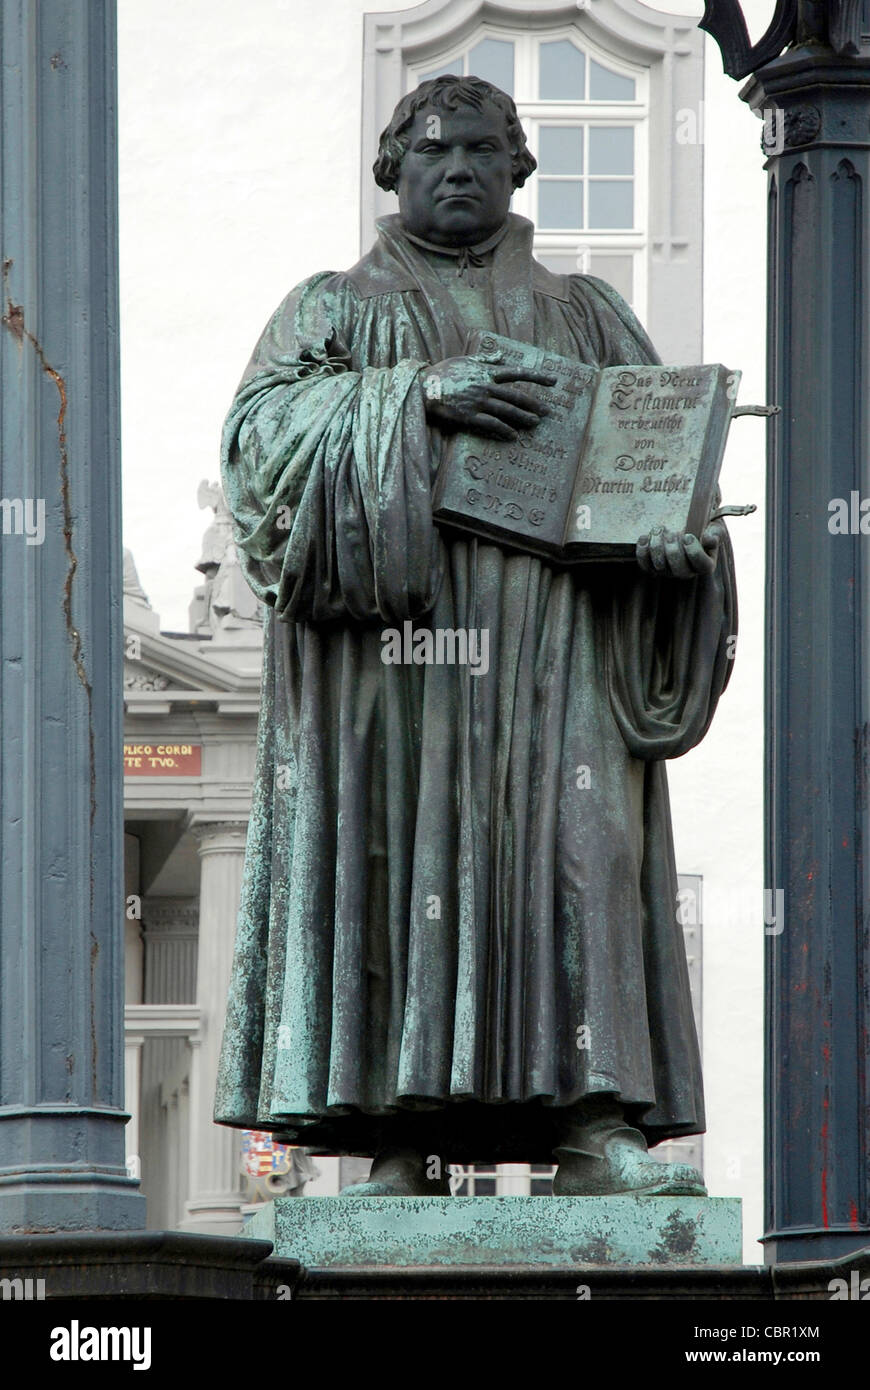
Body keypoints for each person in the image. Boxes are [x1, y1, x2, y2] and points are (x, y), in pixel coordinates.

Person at [214, 76, 737, 1197]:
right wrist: (413, 395)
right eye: (436, 150)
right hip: (391, 656)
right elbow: (258, 457)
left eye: (487, 151)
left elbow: (661, 466)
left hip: (561, 651)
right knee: (397, 860)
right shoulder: (329, 310)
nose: (460, 168)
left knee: (582, 847)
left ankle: (598, 1118)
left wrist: (673, 562)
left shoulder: (588, 312)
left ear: (519, 171)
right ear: (392, 169)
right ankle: (399, 1133)